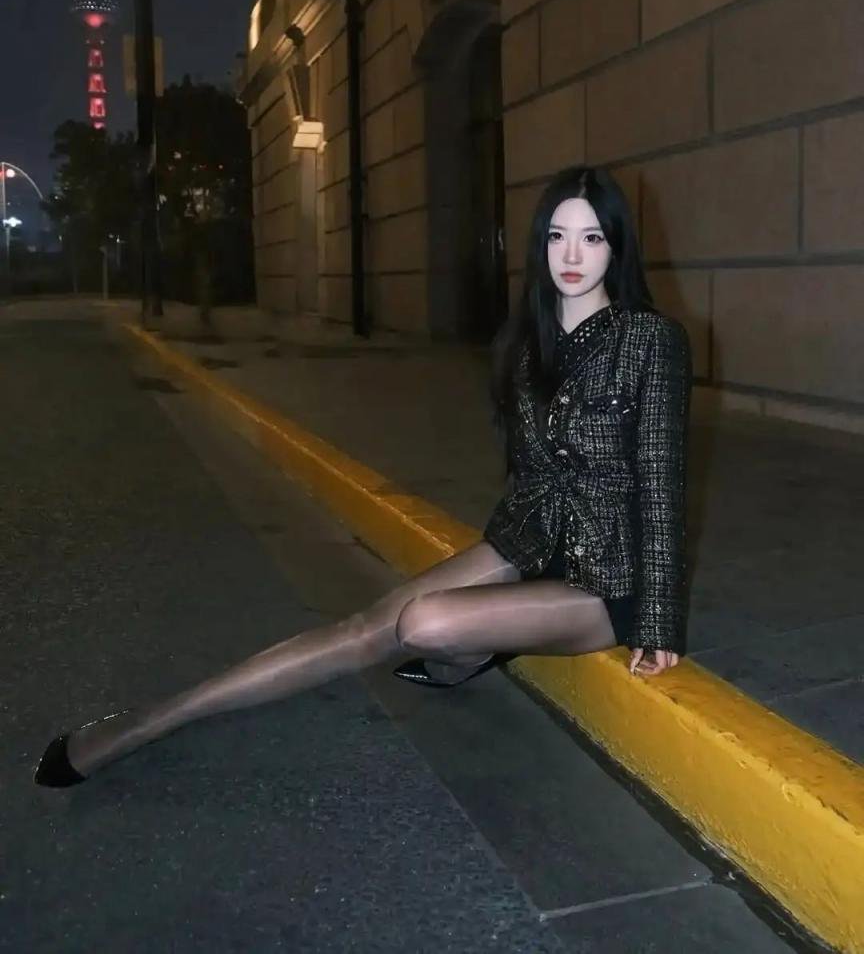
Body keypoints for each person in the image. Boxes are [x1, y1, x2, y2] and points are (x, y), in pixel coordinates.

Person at [34, 164, 692, 787]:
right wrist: (509, 555)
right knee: (363, 627)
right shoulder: (528, 343)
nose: (571, 254)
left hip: (608, 583)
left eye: (591, 238)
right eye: (556, 236)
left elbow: (661, 484)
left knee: (420, 624)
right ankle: (139, 726)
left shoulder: (649, 341)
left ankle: (471, 648)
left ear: (616, 248)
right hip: (530, 544)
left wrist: (658, 624)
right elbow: (531, 473)